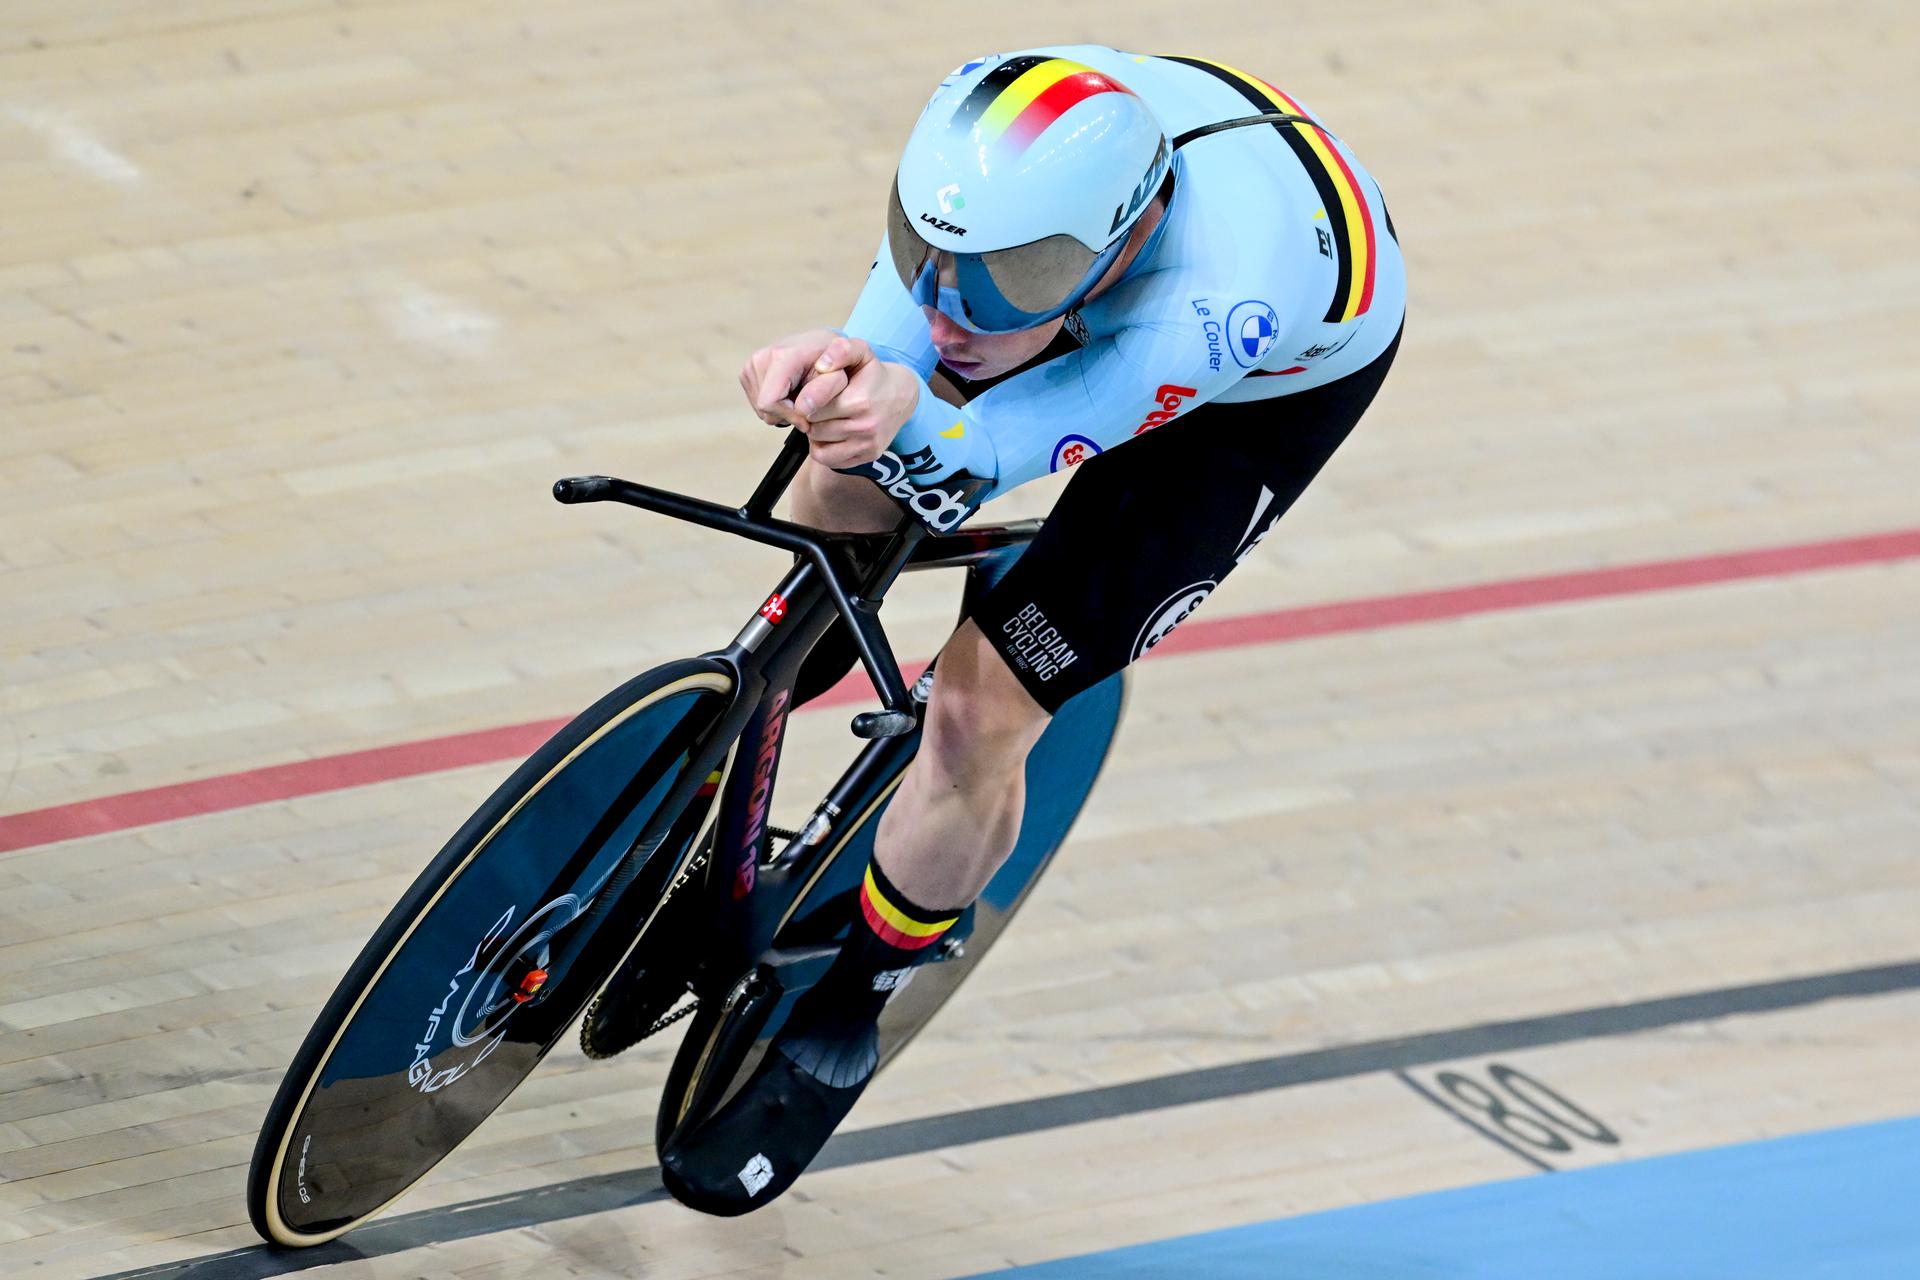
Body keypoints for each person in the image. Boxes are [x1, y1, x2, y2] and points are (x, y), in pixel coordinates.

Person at [651, 46, 1407, 1214]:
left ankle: (850, 1010)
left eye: (1002, 283)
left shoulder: (1216, 303)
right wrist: (837, 378)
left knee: (976, 707)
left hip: (1253, 393)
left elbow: (994, 450)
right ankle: (708, 809)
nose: (954, 314)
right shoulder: (987, 205)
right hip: (1088, 250)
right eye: (929, 261)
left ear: (1115, 239)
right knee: (836, 485)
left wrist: (924, 415)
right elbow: (936, 321)